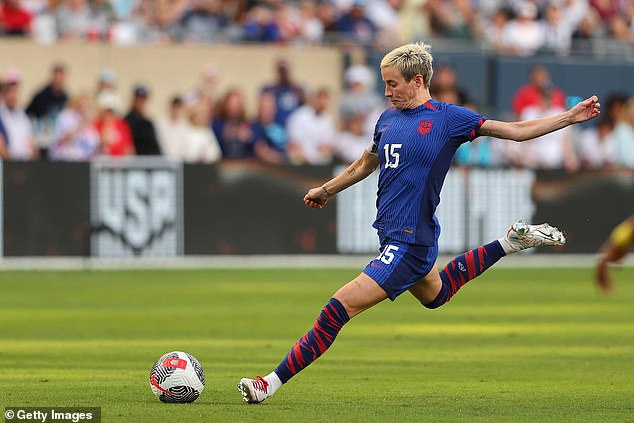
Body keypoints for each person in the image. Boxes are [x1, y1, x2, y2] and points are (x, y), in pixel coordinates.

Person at [237, 42, 601, 404]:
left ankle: (268, 383)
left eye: (392, 84)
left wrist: (568, 117)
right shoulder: (387, 119)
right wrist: (327, 189)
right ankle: (510, 242)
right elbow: (366, 162)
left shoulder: (448, 118)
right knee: (437, 294)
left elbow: (515, 130)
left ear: (417, 80)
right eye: (384, 83)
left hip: (408, 243)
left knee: (336, 309)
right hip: (399, 238)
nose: (386, 91)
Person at [595, 215, 634, 293]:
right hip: (625, 233)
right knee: (605, 260)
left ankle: (605, 283)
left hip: (625, 232)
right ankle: (605, 283)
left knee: (605, 260)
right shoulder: (623, 236)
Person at [124, 84, 161, 156]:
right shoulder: (125, 122)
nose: (141, 102)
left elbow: (156, 149)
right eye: (138, 98)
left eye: (143, 99)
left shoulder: (148, 124)